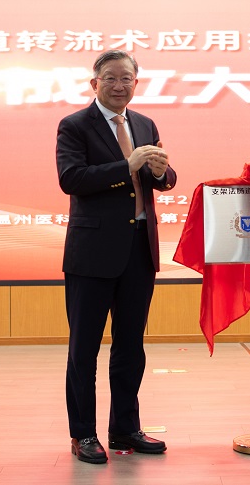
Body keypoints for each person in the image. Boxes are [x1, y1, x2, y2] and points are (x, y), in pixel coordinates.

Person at [56, 49, 177, 464]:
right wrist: (127, 165)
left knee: (130, 347)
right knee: (84, 350)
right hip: (92, 255)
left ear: (136, 83)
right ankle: (83, 434)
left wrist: (160, 172)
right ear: (95, 83)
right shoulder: (74, 125)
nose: (119, 85)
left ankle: (125, 428)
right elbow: (71, 179)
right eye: (110, 78)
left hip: (139, 250)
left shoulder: (144, 123)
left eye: (127, 78)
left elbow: (163, 177)